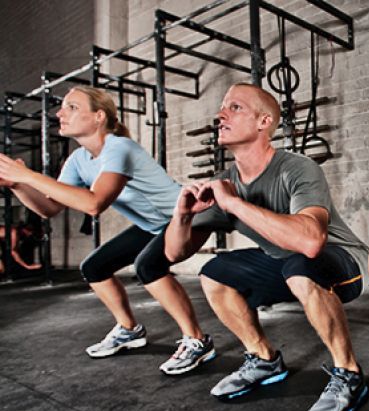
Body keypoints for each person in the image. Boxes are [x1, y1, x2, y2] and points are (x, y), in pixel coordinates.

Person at [164, 82, 369, 411]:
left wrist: (234, 204)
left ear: (263, 122)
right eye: (222, 108)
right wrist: (182, 214)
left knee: (301, 264)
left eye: (235, 108)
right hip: (287, 265)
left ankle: (348, 373)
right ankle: (263, 360)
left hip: (344, 263)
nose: (220, 115)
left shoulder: (297, 168)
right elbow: (174, 253)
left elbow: (311, 242)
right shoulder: (225, 182)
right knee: (215, 271)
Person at [0, 86, 214, 375]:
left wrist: (27, 175)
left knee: (148, 265)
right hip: (151, 226)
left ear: (99, 116)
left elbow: (94, 203)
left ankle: (198, 341)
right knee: (94, 266)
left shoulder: (119, 147)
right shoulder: (78, 160)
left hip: (187, 216)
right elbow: (50, 208)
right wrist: (17, 184)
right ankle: (129, 330)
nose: (60, 113)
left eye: (72, 107)